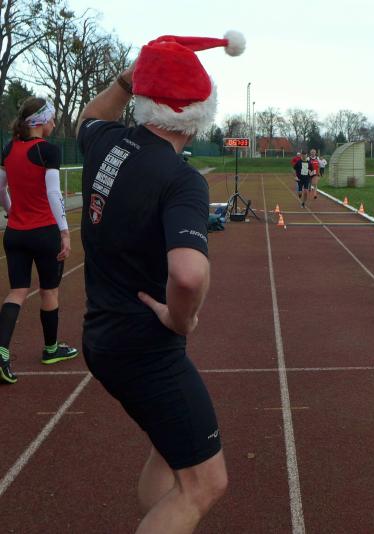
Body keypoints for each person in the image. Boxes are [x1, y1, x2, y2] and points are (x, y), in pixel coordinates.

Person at [77, 30, 243, 531]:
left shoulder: (105, 143)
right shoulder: (181, 179)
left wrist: (128, 80)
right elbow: (188, 275)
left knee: (173, 454)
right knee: (205, 483)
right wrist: (180, 318)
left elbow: (89, 116)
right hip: (146, 349)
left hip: (104, 336)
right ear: (198, 112)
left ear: (145, 98)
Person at [0, 98, 77, 384]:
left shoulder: (9, 148)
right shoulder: (48, 151)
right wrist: (65, 232)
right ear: (41, 121)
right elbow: (54, 194)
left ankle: (1, 352)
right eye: (52, 118)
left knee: (17, 291)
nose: (54, 123)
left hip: (15, 233)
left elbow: (0, 188)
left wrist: (11, 210)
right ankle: (51, 349)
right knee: (49, 292)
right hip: (44, 233)